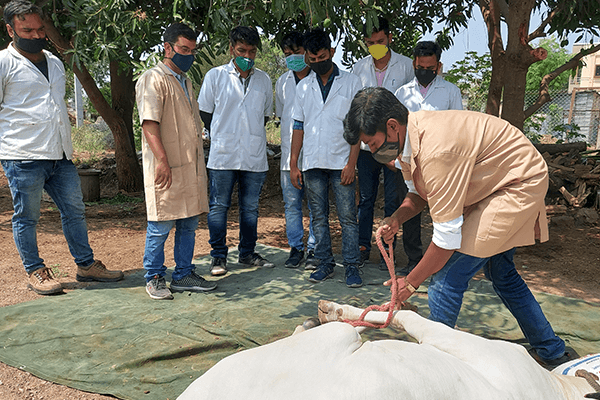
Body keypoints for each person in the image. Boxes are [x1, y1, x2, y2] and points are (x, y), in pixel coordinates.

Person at [343, 86, 571, 369]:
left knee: (445, 279)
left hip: (517, 183)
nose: (373, 151)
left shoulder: (437, 150)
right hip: (492, 185)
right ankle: (551, 350)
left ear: (392, 126)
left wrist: (411, 282)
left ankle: (434, 367)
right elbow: (418, 195)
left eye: (373, 143)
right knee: (502, 272)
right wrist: (397, 218)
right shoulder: (406, 141)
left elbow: (447, 239)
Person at [0, 0, 124, 296]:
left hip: (60, 154)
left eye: (40, 28)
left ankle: (86, 265)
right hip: (23, 154)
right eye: (26, 29)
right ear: (10, 29)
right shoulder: (3, 63)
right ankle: (36, 270)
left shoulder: (55, 63)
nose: (35, 34)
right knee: (27, 216)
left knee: (75, 210)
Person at [135, 23, 216, 300]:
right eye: (183, 49)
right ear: (167, 47)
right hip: (166, 166)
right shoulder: (153, 79)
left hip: (190, 167)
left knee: (189, 222)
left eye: (193, 51)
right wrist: (161, 161)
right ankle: (154, 277)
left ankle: (183, 274)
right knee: (160, 224)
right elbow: (149, 124)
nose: (189, 56)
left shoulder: (186, 81)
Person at [197, 26, 274, 276]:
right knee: (219, 206)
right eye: (242, 50)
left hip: (253, 154)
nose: (247, 56)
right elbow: (205, 112)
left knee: (250, 208)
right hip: (223, 153)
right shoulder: (215, 76)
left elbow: (264, 115)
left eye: (252, 51)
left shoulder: (263, 80)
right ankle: (218, 256)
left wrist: (245, 133)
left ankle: (247, 253)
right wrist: (223, 133)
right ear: (232, 49)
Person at [290, 29, 363, 287]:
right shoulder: (303, 87)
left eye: (323, 56)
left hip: (341, 161)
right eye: (313, 58)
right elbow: (298, 126)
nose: (319, 61)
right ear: (308, 58)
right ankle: (324, 263)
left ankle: (352, 266)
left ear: (332, 52)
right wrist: (293, 163)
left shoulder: (352, 82)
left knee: (347, 218)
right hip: (312, 162)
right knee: (318, 217)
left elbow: (356, 127)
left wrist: (352, 163)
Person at [393, 40, 463, 275]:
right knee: (410, 211)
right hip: (411, 162)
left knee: (442, 214)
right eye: (421, 66)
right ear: (414, 63)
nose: (425, 71)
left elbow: (458, 128)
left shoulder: (450, 91)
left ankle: (443, 264)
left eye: (430, 67)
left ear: (438, 66)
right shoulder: (402, 93)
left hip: (441, 165)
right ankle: (414, 260)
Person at [351, 16, 413, 271]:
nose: (376, 46)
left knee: (392, 200)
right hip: (367, 148)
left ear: (389, 38)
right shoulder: (358, 68)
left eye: (380, 41)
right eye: (370, 42)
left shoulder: (406, 66)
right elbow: (356, 111)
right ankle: (363, 247)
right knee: (366, 199)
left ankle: (388, 249)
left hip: (393, 146)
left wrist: (393, 153)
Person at [275, 31, 318, 269]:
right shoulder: (282, 82)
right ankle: (296, 248)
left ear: (307, 53)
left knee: (314, 205)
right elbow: (284, 117)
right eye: (287, 54)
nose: (292, 58)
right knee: (291, 205)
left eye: (297, 53)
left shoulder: (318, 79)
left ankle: (313, 249)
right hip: (287, 159)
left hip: (313, 156)